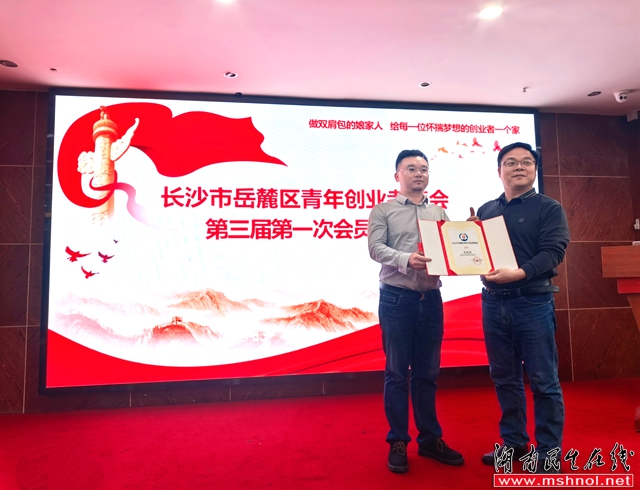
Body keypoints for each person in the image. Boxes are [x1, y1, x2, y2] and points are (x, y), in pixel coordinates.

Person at [469, 142, 570, 473]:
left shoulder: (549, 208)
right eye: (511, 162)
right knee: (504, 377)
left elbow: (553, 252)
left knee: (544, 380)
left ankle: (549, 453)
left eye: (527, 162)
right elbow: (478, 255)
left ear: (535, 170)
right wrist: (468, 239)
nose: (519, 167)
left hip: (532, 301)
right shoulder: (486, 210)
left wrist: (520, 273)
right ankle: (514, 444)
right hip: (492, 302)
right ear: (499, 170)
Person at [368, 149, 464, 473]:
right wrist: (406, 259)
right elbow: (375, 248)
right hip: (397, 299)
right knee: (397, 373)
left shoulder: (438, 212)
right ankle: (398, 440)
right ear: (397, 175)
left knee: (427, 373)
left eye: (424, 168)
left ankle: (430, 439)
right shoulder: (383, 210)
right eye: (411, 168)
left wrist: (471, 239)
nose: (419, 173)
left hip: (431, 299)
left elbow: (451, 250)